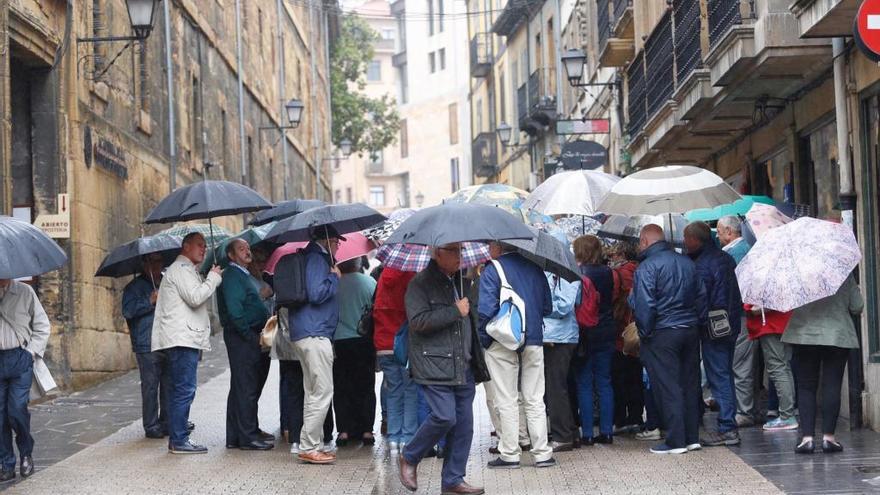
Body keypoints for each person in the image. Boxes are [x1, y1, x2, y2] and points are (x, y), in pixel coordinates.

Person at [399, 243, 488, 495]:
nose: (460, 256)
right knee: (444, 416)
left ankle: (452, 479)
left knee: (464, 424)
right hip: (434, 364)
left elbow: (471, 321)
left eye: (461, 251)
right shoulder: (420, 283)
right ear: (437, 253)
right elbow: (418, 322)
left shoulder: (462, 281)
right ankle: (410, 455)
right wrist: (454, 311)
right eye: (454, 251)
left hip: (463, 365)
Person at [630, 225, 706, 454]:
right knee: (690, 384)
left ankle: (675, 440)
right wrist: (696, 322)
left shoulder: (647, 267)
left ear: (644, 241)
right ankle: (692, 437)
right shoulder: (687, 262)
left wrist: (645, 332)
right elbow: (702, 296)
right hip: (690, 328)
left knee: (668, 386)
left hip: (662, 332)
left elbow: (645, 305)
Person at [478, 242, 554, 469]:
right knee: (535, 397)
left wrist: (486, 341)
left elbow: (485, 310)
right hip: (533, 338)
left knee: (506, 398)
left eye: (490, 245)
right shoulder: (535, 268)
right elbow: (547, 308)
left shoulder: (493, 269)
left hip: (503, 341)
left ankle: (510, 453)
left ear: (498, 247)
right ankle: (542, 453)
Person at [152, 232, 221, 454]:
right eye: (200, 245)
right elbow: (195, 297)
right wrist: (213, 278)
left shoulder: (186, 270)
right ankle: (179, 440)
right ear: (186, 246)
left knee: (180, 389)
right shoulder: (180, 269)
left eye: (205, 246)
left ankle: (178, 437)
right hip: (182, 339)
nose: (204, 249)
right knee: (184, 389)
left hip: (183, 337)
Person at [784, 275, 863, 454]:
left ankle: (807, 439)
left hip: (803, 334)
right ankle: (829, 438)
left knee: (806, 386)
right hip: (836, 334)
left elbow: (786, 302)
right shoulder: (842, 274)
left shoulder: (798, 273)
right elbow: (857, 307)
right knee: (832, 384)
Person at [683, 221, 743, 447]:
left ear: (694, 240)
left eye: (686, 238)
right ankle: (727, 425)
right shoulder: (724, 258)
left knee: (719, 376)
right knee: (724, 372)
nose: (684, 243)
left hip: (712, 326)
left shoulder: (702, 264)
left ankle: (727, 428)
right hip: (730, 324)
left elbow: (702, 298)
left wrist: (698, 320)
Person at [287, 227, 342, 465]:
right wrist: (333, 277)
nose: (339, 246)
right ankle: (309, 446)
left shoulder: (310, 257)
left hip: (306, 331)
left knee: (313, 392)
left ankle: (314, 444)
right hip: (315, 333)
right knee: (322, 391)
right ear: (328, 240)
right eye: (337, 242)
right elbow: (317, 293)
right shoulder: (318, 260)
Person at [217, 239, 273, 450]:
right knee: (247, 386)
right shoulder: (232, 275)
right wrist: (248, 334)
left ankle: (237, 434)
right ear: (231, 256)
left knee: (242, 386)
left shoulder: (243, 274)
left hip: (248, 333)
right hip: (243, 336)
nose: (248, 252)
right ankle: (247, 437)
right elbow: (235, 309)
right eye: (242, 249)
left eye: (248, 248)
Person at [0, 278, 50, 481]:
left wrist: (30, 353)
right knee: (0, 415)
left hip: (19, 358)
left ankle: (26, 453)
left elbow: (42, 326)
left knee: (17, 409)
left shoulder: (25, 291)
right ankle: (6, 462)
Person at [572, 235, 617, 446]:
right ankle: (607, 431)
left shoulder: (577, 273)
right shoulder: (609, 272)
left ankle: (587, 433)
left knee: (584, 383)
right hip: (606, 330)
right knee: (605, 381)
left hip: (584, 332)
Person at [122, 253, 170, 439]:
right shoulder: (133, 287)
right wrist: (149, 301)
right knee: (150, 386)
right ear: (144, 263)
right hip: (147, 342)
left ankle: (167, 421)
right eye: (152, 261)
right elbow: (128, 311)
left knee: (168, 384)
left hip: (167, 338)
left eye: (159, 260)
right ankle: (151, 425)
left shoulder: (167, 282)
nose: (157, 265)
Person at [717, 215, 758, 428]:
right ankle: (744, 408)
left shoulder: (735, 253)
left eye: (720, 232)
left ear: (730, 232)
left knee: (740, 365)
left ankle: (745, 411)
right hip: (743, 314)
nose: (718, 236)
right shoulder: (746, 249)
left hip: (741, 315)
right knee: (741, 363)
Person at [332, 257, 378, 446]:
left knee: (342, 386)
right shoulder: (370, 282)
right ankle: (366, 430)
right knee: (366, 385)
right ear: (358, 263)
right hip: (364, 340)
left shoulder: (334, 284)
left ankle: (344, 430)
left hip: (340, 341)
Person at [373, 265, 418, 451]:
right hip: (404, 343)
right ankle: (408, 437)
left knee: (393, 390)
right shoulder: (411, 276)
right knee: (410, 390)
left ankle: (393, 438)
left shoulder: (383, 278)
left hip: (383, 343)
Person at [542, 267, 580, 452]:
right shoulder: (550, 273)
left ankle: (563, 435)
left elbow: (565, 305)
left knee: (555, 387)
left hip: (559, 337)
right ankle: (570, 431)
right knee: (559, 386)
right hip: (555, 336)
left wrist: (541, 306)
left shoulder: (566, 274)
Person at [608, 241, 644, 435]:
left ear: (621, 254)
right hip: (639, 328)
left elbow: (613, 297)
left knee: (619, 377)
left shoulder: (619, 273)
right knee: (636, 375)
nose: (612, 258)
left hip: (622, 329)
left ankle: (621, 418)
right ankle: (637, 416)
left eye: (614, 254)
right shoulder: (642, 269)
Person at [744, 305, 798, 431]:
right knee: (784, 368)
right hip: (787, 323)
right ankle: (788, 413)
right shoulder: (786, 284)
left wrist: (752, 309)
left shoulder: (766, 284)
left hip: (771, 325)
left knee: (778, 370)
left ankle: (787, 416)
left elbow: (755, 309)